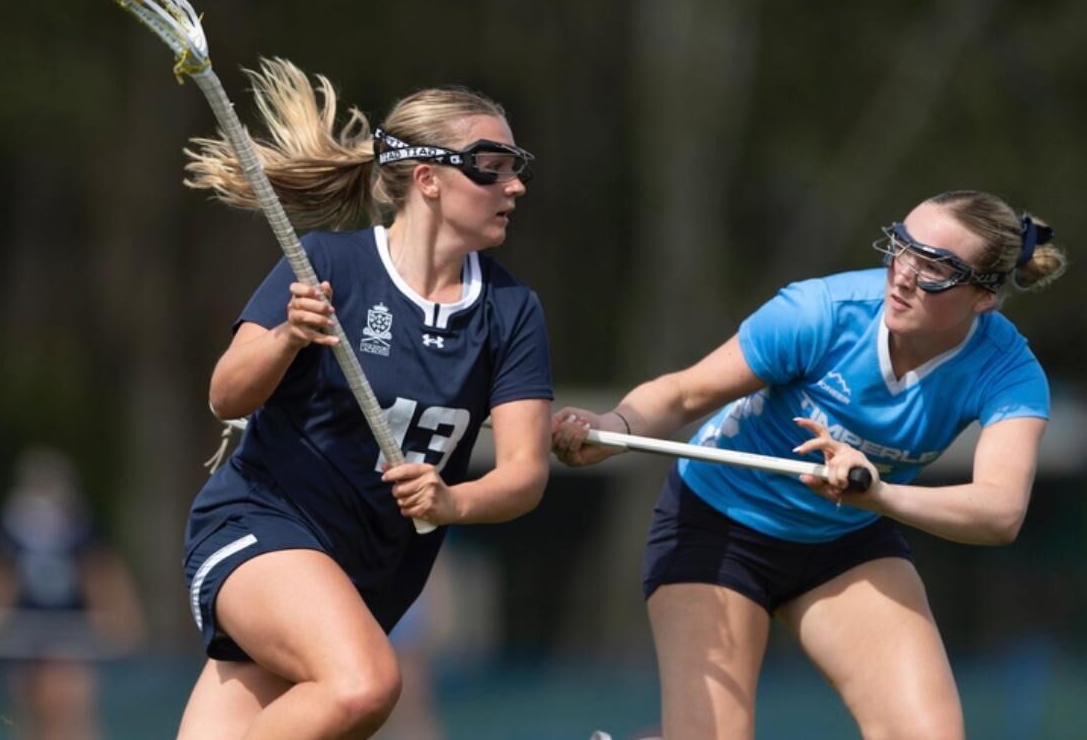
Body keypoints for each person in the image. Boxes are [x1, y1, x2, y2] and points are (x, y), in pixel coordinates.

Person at [552, 190, 1067, 740]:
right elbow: (682, 395)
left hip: (846, 545)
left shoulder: (1009, 372)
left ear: (984, 297)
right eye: (901, 248)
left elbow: (999, 511)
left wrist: (878, 496)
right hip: (717, 526)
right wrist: (617, 426)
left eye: (936, 268)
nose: (903, 275)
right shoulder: (822, 312)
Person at [176, 58, 553, 739]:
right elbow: (224, 394)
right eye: (491, 166)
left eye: (514, 167)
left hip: (370, 576)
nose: (514, 185)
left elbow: (523, 475)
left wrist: (453, 501)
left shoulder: (510, 312)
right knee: (364, 684)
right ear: (428, 179)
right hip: (261, 527)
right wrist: (288, 335)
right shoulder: (331, 263)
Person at [0, 445, 145, 740]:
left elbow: (104, 577)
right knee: (28, 713)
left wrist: (121, 620)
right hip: (24, 637)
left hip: (70, 635)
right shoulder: (12, 529)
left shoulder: (82, 528)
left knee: (68, 702)